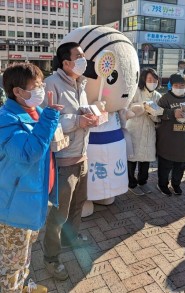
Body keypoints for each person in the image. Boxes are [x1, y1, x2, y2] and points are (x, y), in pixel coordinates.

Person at [0, 63, 62, 292]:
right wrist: (50, 118)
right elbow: (27, 153)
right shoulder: (5, 119)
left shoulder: (33, 112)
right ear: (17, 91)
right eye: (36, 86)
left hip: (32, 201)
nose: (41, 89)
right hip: (15, 208)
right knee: (11, 264)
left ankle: (23, 286)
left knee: (24, 255)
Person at [42, 42, 98, 280]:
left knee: (78, 204)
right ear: (66, 62)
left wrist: (92, 115)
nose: (84, 60)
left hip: (82, 155)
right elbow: (47, 122)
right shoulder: (50, 85)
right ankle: (51, 258)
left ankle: (70, 238)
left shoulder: (80, 84)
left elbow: (78, 112)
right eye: (79, 56)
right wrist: (78, 121)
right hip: (63, 160)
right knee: (58, 215)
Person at [157, 73, 185, 196]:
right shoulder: (165, 98)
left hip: (184, 140)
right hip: (167, 140)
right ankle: (162, 185)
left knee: (180, 165)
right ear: (171, 85)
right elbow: (157, 113)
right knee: (165, 165)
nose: (179, 87)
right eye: (176, 85)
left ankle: (176, 184)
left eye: (182, 85)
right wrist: (171, 113)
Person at [126, 68, 161, 195]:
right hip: (134, 129)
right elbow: (127, 107)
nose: (152, 82)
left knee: (146, 158)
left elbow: (159, 116)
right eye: (149, 79)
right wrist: (142, 106)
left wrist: (153, 113)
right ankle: (131, 183)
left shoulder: (158, 96)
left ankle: (142, 182)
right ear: (144, 80)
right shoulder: (136, 91)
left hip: (149, 130)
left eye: (155, 80)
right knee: (132, 158)